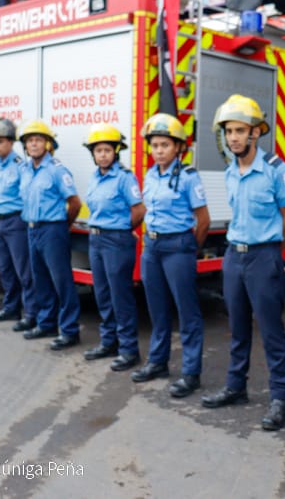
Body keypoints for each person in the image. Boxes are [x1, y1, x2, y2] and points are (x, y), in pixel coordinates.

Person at [201, 95, 285, 430]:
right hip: (233, 257)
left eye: (240, 130)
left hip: (262, 256)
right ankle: (236, 386)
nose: (234, 138)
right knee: (237, 327)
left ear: (255, 133)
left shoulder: (274, 169)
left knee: (271, 330)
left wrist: (273, 254)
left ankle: (280, 396)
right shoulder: (230, 171)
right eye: (229, 131)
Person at [133, 113, 210, 398]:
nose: (159, 150)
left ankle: (191, 373)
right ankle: (157, 361)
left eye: (165, 145)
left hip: (178, 247)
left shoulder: (189, 176)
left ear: (177, 147)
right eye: (154, 145)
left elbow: (203, 219)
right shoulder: (151, 174)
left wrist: (190, 248)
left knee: (187, 312)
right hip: (152, 247)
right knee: (157, 309)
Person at [81, 123, 146, 372]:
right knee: (102, 294)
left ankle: (129, 350)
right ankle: (108, 342)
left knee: (120, 296)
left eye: (107, 150)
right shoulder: (95, 178)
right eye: (98, 151)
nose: (103, 155)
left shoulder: (124, 178)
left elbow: (139, 210)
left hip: (116, 241)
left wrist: (121, 228)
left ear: (116, 151)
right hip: (96, 240)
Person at [17, 119, 83, 351]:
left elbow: (74, 203)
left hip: (53, 230)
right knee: (40, 279)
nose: (33, 144)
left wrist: (63, 225)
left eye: (38, 140)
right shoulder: (24, 170)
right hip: (32, 228)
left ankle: (69, 330)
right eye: (29, 141)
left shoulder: (56, 170)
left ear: (48, 144)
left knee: (61, 281)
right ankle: (46, 323)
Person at [0, 118, 38, 332]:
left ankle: (31, 313)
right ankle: (11, 307)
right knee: (5, 268)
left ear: (11, 142)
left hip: (16, 221)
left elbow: (26, 195)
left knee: (23, 270)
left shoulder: (20, 166)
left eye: (1, 141)